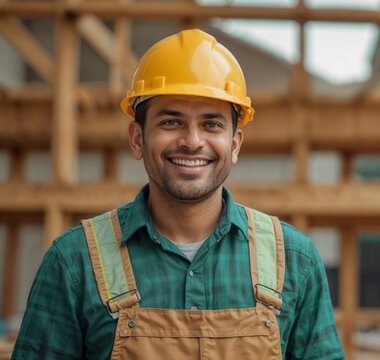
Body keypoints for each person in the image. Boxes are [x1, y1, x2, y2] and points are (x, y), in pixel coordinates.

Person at [11, 29, 344, 359]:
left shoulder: (294, 260)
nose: (192, 140)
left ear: (235, 143)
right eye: (171, 122)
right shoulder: (75, 261)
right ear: (137, 139)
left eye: (212, 124)